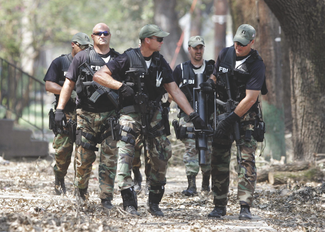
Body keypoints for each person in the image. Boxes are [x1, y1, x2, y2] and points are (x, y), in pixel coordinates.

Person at [93, 24, 207, 217]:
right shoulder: (127, 58)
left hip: (154, 115)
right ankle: (129, 203)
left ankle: (154, 203)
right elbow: (99, 75)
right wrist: (120, 87)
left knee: (161, 158)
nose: (162, 42)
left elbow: (174, 90)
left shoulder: (160, 62)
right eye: (159, 39)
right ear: (147, 40)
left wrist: (193, 115)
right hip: (130, 114)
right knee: (124, 158)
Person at [201, 24, 267, 220]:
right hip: (221, 115)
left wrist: (231, 119)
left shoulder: (256, 64)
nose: (238, 46)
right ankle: (219, 205)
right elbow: (215, 74)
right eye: (236, 42)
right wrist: (209, 83)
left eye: (243, 44)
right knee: (218, 160)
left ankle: (245, 206)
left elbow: (251, 98)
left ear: (252, 43)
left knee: (246, 161)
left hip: (245, 118)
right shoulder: (225, 54)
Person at [55, 23, 120, 210]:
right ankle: (81, 195)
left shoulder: (118, 59)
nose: (102, 36)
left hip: (110, 116)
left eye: (105, 33)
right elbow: (68, 84)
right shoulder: (82, 57)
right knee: (83, 159)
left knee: (109, 160)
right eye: (98, 33)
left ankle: (106, 199)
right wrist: (60, 109)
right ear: (92, 37)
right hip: (86, 115)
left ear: (110, 36)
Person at [44, 32, 91, 195]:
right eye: (82, 46)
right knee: (62, 153)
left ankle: (80, 188)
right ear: (73, 44)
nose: (85, 50)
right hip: (64, 114)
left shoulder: (90, 63)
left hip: (85, 115)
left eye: (87, 47)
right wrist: (68, 91)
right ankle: (59, 179)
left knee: (83, 154)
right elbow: (49, 85)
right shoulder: (60, 62)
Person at [172, 35, 215, 196]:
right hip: (188, 118)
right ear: (189, 49)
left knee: (208, 150)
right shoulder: (181, 70)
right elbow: (172, 91)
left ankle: (206, 183)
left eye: (200, 47)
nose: (198, 51)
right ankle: (191, 185)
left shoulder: (212, 69)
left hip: (208, 117)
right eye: (195, 48)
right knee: (191, 151)